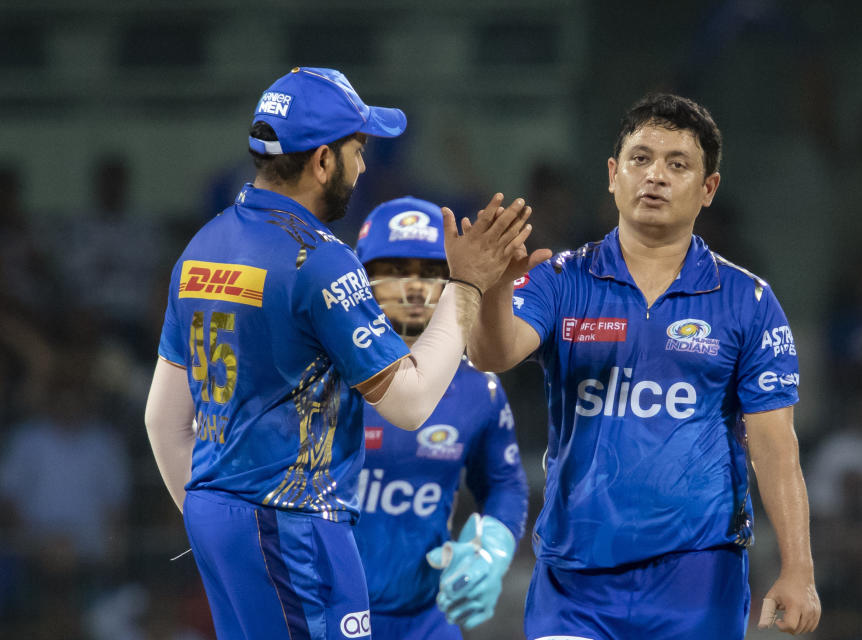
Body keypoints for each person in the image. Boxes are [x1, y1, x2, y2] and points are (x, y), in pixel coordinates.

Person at [144, 66, 534, 640]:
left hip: (220, 516)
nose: (364, 165)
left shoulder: (203, 246)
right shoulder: (320, 258)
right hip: (297, 527)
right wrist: (467, 284)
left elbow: (161, 418)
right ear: (322, 160)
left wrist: (223, 524)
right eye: (358, 149)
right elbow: (409, 402)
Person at [467, 93, 822, 638]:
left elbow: (775, 445)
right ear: (613, 175)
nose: (655, 175)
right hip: (574, 580)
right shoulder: (561, 279)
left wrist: (799, 568)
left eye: (677, 164)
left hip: (699, 578)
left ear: (708, 190)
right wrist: (491, 289)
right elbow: (490, 354)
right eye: (640, 159)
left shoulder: (748, 301)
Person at [351, 196, 529, 638]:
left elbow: (505, 483)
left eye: (431, 272)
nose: (413, 288)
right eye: (394, 270)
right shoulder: (320, 378)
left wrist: (493, 546)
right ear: (359, 279)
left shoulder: (477, 387)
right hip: (320, 616)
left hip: (427, 622)